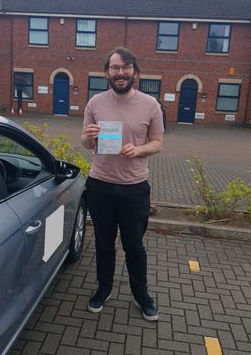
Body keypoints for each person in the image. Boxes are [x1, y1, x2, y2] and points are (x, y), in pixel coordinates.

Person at [81, 47, 164, 321]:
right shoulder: (94, 103)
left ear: (135, 72)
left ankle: (141, 295)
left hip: (134, 189)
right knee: (104, 244)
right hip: (100, 186)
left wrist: (138, 150)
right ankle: (103, 289)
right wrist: (89, 136)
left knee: (134, 247)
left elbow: (157, 143)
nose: (120, 72)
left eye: (126, 67)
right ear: (107, 72)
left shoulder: (151, 105)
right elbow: (84, 144)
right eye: (115, 67)